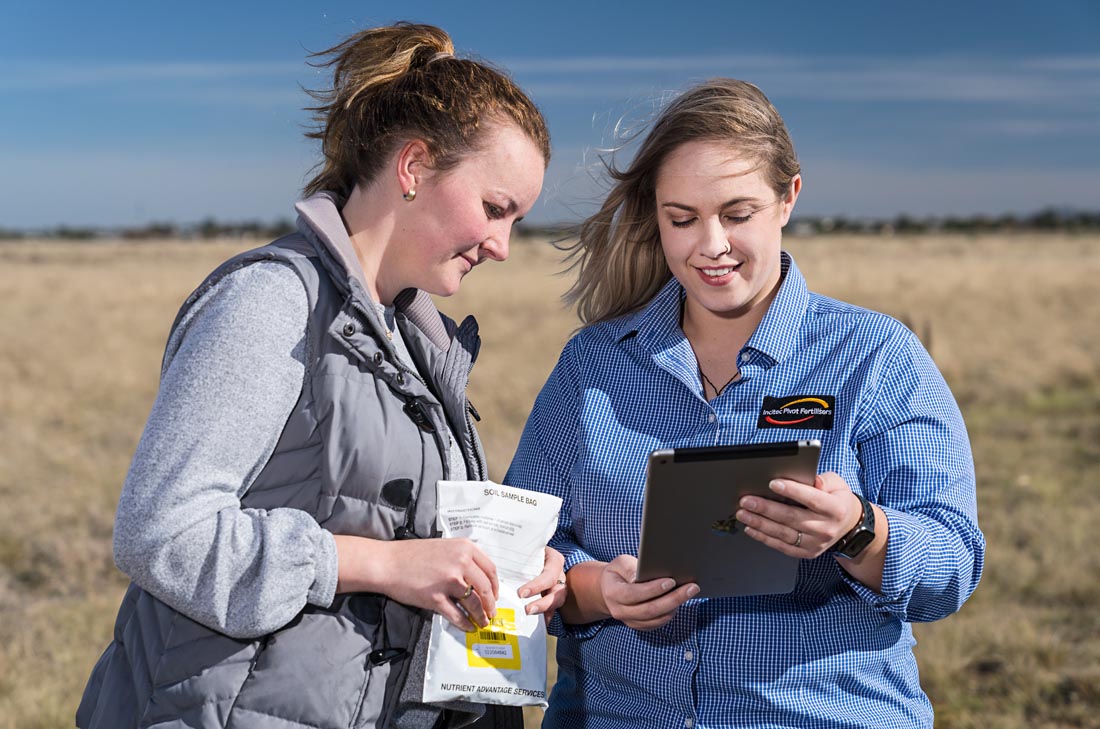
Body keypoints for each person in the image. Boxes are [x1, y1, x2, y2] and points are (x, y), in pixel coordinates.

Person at [77, 22, 563, 729]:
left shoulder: (413, 339)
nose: (503, 245)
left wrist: (506, 570)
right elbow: (160, 533)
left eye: (517, 219)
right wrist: (378, 565)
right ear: (414, 166)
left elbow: (388, 527)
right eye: (495, 208)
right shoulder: (272, 303)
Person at [505, 78, 985, 728]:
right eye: (682, 218)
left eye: (737, 214)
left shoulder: (876, 356)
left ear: (788, 198)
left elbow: (952, 566)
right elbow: (524, 549)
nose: (711, 245)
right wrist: (600, 591)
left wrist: (856, 528)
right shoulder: (592, 364)